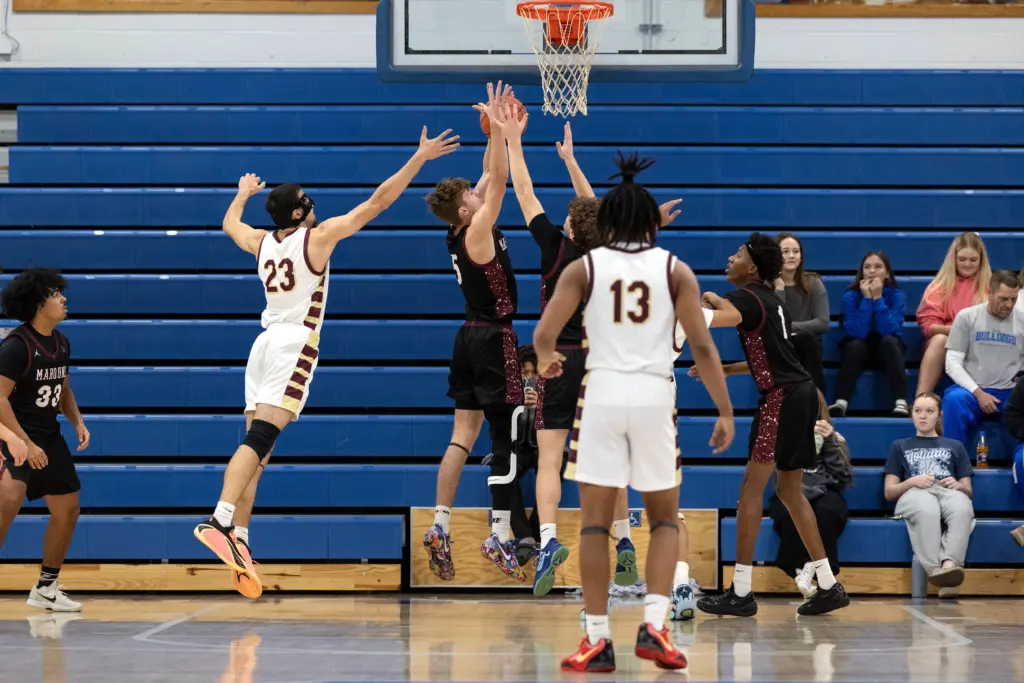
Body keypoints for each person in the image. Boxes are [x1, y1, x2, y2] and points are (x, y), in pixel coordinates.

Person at [193, 127, 460, 596]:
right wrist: (419, 159)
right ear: (299, 213)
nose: (312, 202)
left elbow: (229, 225)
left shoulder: (261, 242)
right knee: (260, 441)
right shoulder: (317, 239)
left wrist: (241, 194)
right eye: (305, 199)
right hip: (294, 344)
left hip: (263, 345)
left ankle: (240, 536)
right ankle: (219, 518)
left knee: (258, 449)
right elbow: (376, 203)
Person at [534, 152, 734, 672]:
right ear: (651, 223)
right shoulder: (675, 270)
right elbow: (703, 347)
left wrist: (547, 360)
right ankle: (655, 627)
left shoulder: (583, 267)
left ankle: (597, 639)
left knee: (594, 526)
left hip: (600, 396)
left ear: (606, 224)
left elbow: (543, 334)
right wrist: (725, 410)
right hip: (652, 398)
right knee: (664, 519)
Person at [696, 233, 850, 617]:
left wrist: (706, 300)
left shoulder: (746, 297)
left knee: (751, 490)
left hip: (782, 398)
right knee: (790, 491)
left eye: (737, 254)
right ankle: (828, 584)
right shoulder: (773, 301)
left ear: (752, 267)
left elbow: (722, 317)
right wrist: (726, 369)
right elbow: (773, 359)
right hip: (802, 393)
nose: (730, 258)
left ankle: (741, 592)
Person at [422, 85, 528, 582]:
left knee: (460, 437)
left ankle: (440, 524)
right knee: (505, 433)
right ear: (465, 211)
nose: (477, 190)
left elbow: (487, 174)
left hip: (466, 336)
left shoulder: (456, 227)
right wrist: (507, 134)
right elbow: (501, 179)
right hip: (493, 338)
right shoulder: (479, 230)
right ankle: (500, 534)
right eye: (470, 194)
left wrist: (492, 130)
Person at [505, 118, 602, 594]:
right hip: (598, 361)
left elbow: (524, 192)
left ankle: (547, 541)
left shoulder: (555, 247)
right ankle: (619, 539)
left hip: (557, 359)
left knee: (549, 459)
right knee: (600, 460)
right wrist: (571, 162)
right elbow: (594, 208)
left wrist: (513, 140)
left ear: (571, 225)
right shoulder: (607, 254)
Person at [0, 268, 90, 612]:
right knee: (8, 500)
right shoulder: (16, 346)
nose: (63, 299)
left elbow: (62, 389)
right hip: (13, 435)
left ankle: (46, 588)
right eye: (55, 294)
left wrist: (77, 421)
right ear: (39, 304)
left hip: (48, 435)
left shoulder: (61, 342)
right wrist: (24, 442)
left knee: (68, 509)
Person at [885, 392, 974, 597]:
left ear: (939, 415)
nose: (923, 416)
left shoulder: (955, 446)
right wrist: (912, 481)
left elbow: (969, 492)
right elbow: (889, 492)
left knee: (962, 509)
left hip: (948, 491)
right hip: (915, 492)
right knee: (928, 509)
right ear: (912, 414)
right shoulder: (900, 445)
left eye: (929, 411)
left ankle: (950, 565)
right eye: (918, 411)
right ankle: (936, 571)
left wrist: (959, 486)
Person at [771, 390, 852, 598]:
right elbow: (778, 473)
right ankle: (800, 570)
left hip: (825, 489)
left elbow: (842, 476)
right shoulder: (782, 435)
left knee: (829, 511)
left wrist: (831, 441)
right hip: (792, 488)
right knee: (789, 510)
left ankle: (810, 567)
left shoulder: (834, 437)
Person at [941, 269, 1022, 448]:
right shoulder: (967, 317)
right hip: (972, 391)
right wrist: (979, 393)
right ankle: (953, 460)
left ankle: (1021, 458)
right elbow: (952, 363)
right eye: (1003, 299)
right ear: (989, 292)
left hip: (1009, 392)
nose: (1009, 305)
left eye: (1013, 299)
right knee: (954, 400)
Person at [830, 251, 908, 417]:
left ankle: (901, 401)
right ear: (862, 272)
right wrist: (866, 299)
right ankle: (841, 402)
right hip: (858, 352)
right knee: (855, 345)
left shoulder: (897, 296)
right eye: (867, 267)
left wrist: (877, 299)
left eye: (878, 267)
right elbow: (857, 332)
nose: (872, 271)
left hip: (887, 351)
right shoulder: (850, 296)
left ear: (887, 273)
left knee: (889, 341)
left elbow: (889, 330)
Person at [916, 232, 991, 395]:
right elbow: (928, 327)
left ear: (981, 260)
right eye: (962, 259)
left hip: (982, 343)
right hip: (948, 343)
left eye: (973, 260)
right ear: (954, 259)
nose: (967, 264)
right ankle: (921, 400)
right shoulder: (938, 287)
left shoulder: (991, 287)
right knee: (939, 340)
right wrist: (957, 329)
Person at [774, 233, 828, 394]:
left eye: (796, 251)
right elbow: (775, 323)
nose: (791, 256)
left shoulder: (813, 281)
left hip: (807, 344)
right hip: (780, 345)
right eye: (785, 252)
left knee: (806, 337)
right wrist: (779, 289)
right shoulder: (768, 285)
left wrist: (789, 327)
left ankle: (817, 400)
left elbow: (823, 323)